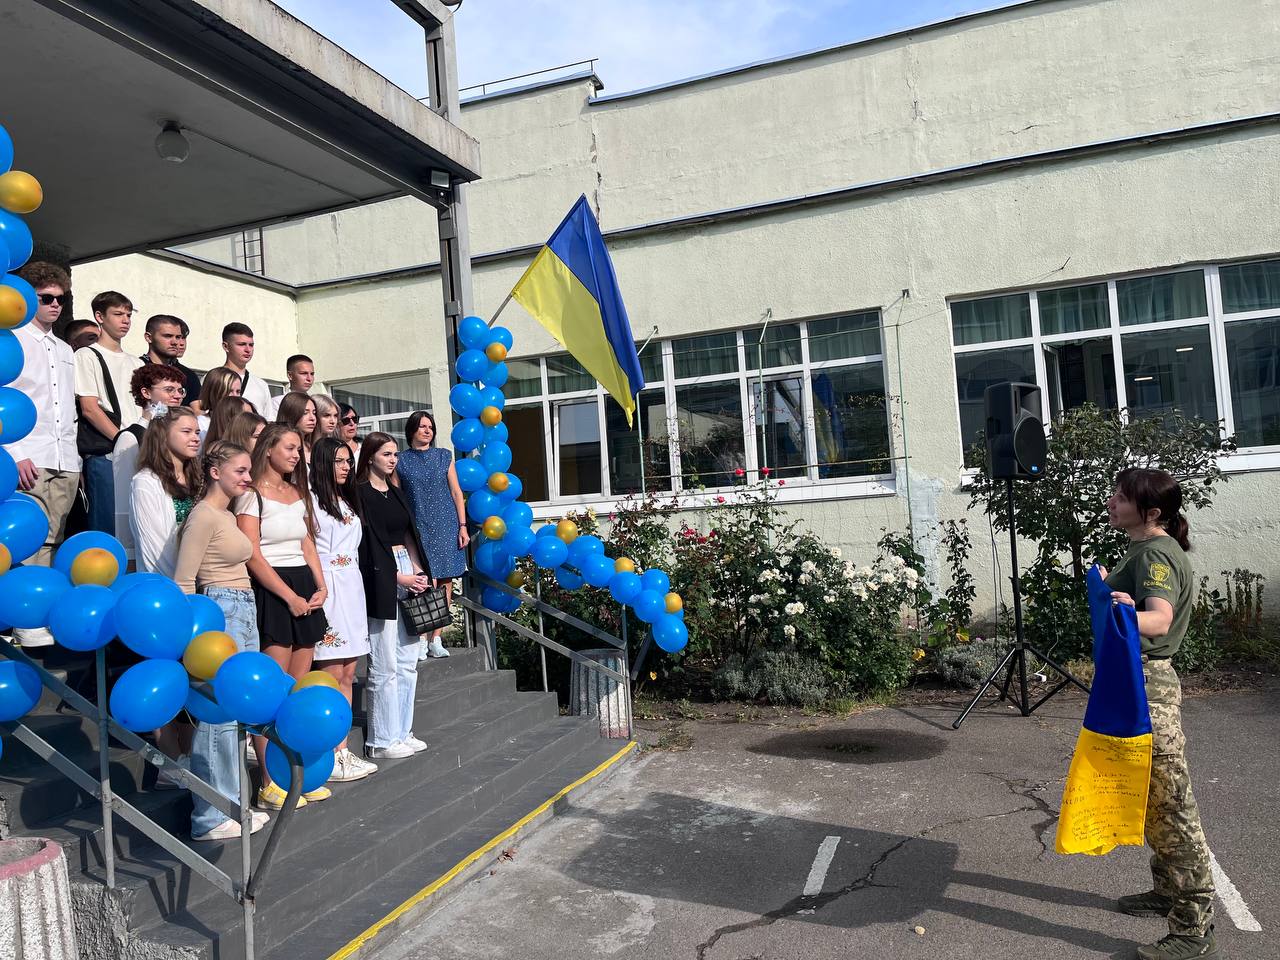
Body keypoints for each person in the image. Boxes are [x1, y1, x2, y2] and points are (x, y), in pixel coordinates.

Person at [1101, 468, 1217, 960]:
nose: (1111, 501)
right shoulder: (1145, 548)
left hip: (1148, 688)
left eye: (1121, 497)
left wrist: (1122, 609)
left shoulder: (1154, 553)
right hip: (1135, 683)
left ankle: (1194, 931)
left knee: (1172, 808)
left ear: (1151, 512)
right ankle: (1168, 890)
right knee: (1152, 798)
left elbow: (1158, 619)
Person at [174, 441, 270, 841]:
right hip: (220, 609)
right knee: (217, 717)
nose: (248, 478)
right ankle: (209, 817)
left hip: (243, 608)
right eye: (240, 471)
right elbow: (184, 580)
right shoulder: (203, 516)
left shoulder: (227, 515)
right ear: (216, 473)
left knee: (234, 711)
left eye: (249, 471)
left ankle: (230, 806)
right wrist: (192, 637)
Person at [234, 424, 331, 808]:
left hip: (304, 586)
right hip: (274, 591)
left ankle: (296, 774)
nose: (295, 455)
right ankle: (269, 780)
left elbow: (307, 543)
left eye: (297, 449)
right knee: (272, 691)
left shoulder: (296, 493)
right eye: (289, 448)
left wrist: (321, 586)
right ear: (269, 449)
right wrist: (289, 596)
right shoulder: (250, 496)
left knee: (297, 688)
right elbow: (253, 555)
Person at [5, 262, 80, 648]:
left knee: (53, 538)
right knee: (26, 537)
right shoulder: (12, 341)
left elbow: (67, 407)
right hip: (29, 453)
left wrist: (74, 458)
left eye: (60, 299)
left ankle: (40, 613)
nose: (54, 305)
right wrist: (15, 453)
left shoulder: (65, 349)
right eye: (46, 298)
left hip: (64, 456)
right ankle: (22, 618)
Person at [355, 432, 431, 761]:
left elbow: (408, 534)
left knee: (408, 660)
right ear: (370, 456)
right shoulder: (360, 494)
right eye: (386, 454)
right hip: (381, 575)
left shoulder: (396, 492)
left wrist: (417, 570)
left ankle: (402, 731)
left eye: (395, 454)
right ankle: (382, 738)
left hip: (406, 568)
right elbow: (369, 547)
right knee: (384, 662)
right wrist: (398, 577)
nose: (392, 460)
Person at [309, 437, 376, 783]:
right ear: (323, 463)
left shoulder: (346, 499)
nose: (346, 467)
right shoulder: (310, 501)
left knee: (349, 673)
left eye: (348, 461)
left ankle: (342, 749)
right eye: (338, 461)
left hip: (352, 585)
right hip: (328, 586)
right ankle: (325, 753)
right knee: (330, 672)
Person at [396, 411, 468, 660]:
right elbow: (397, 495)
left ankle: (436, 638)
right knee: (423, 580)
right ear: (411, 431)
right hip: (417, 527)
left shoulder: (443, 456)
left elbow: (456, 492)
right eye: (422, 426)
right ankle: (419, 638)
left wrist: (462, 526)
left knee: (445, 580)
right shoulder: (401, 460)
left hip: (446, 525)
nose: (427, 431)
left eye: (430, 427)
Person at [75, 291, 144, 533]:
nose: (125, 320)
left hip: (139, 449)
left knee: (135, 526)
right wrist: (122, 440)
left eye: (128, 315)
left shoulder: (137, 363)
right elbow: (90, 408)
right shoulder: (86, 355)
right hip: (106, 451)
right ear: (99, 316)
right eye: (118, 314)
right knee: (106, 525)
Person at [111, 364, 188, 566]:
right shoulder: (131, 438)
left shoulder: (180, 436)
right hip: (146, 547)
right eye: (169, 390)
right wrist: (129, 554)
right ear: (146, 393)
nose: (177, 396)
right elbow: (123, 503)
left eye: (180, 390)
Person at [128, 406, 202, 578]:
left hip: (201, 580)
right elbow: (153, 547)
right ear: (163, 435)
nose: (196, 438)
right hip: (168, 583)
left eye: (197, 433)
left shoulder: (199, 478)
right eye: (187, 431)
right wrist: (180, 585)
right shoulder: (145, 482)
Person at [141, 314, 203, 402]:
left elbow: (196, 408)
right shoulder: (135, 368)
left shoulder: (188, 375)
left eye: (178, 337)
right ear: (149, 337)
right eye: (168, 336)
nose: (175, 342)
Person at [219, 322, 273, 414]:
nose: (248, 350)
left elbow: (269, 419)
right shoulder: (214, 379)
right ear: (226, 346)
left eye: (251, 345)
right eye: (241, 344)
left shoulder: (261, 385)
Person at [275, 392, 318, 462]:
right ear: (291, 414)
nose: (312, 418)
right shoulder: (277, 446)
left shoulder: (315, 449)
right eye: (305, 413)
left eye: (314, 413)